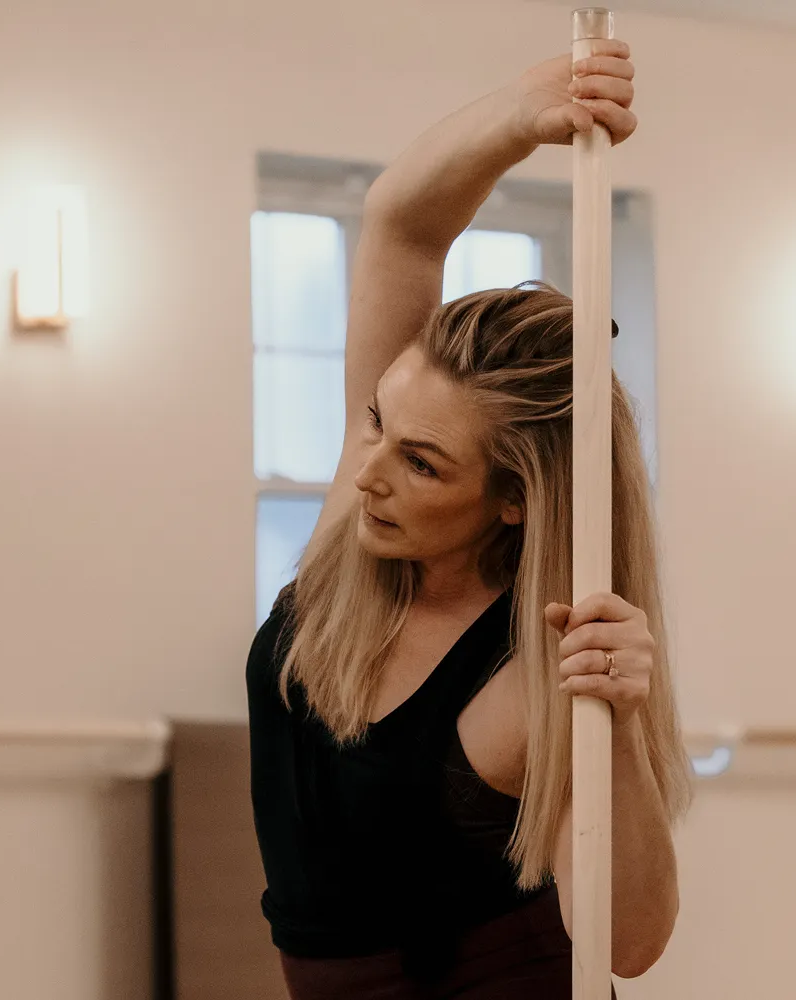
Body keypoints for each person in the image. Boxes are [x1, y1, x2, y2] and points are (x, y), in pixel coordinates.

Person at [246, 38, 692, 999]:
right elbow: (401, 225)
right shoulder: (357, 538)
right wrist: (530, 107)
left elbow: (629, 943)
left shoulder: (537, 665)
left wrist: (613, 722)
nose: (368, 475)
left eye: (421, 464)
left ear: (515, 499)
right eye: (376, 424)